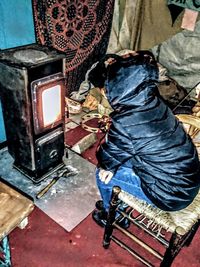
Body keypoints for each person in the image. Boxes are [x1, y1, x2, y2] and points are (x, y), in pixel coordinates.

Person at [88, 51, 200, 227]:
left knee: (102, 175)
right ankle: (119, 199)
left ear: (117, 89)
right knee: (120, 163)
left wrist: (108, 166)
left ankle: (115, 216)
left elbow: (107, 158)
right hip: (188, 178)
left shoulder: (126, 122)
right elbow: (131, 146)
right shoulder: (154, 102)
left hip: (171, 195)